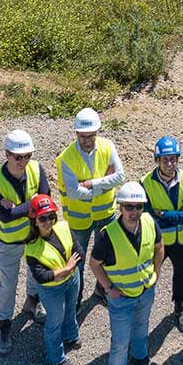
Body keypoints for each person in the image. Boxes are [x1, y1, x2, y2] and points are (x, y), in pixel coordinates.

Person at [89, 182, 165, 365]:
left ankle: (140, 357)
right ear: (120, 207)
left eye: (139, 207)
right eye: (129, 207)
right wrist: (108, 288)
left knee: (142, 327)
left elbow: (160, 246)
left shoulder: (150, 223)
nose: (134, 212)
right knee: (120, 341)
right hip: (121, 299)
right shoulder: (108, 235)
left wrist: (156, 274)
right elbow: (94, 264)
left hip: (145, 291)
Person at [0, 129, 48, 355]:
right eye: (18, 157)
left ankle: (32, 301)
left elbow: (45, 201)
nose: (23, 161)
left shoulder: (37, 169)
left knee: (34, 273)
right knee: (8, 284)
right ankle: (4, 325)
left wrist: (20, 207)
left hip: (33, 236)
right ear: (7, 154)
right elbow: (4, 216)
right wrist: (32, 205)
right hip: (9, 242)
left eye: (27, 156)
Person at [55, 107, 125, 312]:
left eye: (91, 135)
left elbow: (120, 177)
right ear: (76, 134)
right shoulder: (66, 158)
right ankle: (75, 301)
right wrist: (106, 186)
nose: (88, 140)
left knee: (107, 255)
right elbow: (74, 192)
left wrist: (94, 183)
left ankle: (101, 290)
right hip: (79, 221)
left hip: (106, 214)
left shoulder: (107, 147)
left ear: (97, 132)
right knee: (78, 262)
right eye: (83, 136)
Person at [141, 136, 183, 333]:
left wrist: (163, 214)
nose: (169, 163)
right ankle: (141, 311)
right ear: (157, 160)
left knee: (181, 274)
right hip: (158, 242)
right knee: (149, 273)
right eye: (165, 159)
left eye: (173, 158)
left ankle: (180, 307)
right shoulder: (146, 183)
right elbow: (148, 219)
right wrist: (177, 214)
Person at [22, 194, 81, 365]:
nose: (48, 221)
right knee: (55, 321)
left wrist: (65, 271)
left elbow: (79, 251)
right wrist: (67, 268)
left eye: (51, 216)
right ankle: (56, 357)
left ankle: (71, 335)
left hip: (72, 279)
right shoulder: (32, 248)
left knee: (71, 308)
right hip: (52, 290)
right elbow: (42, 277)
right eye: (43, 218)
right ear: (35, 221)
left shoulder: (63, 227)